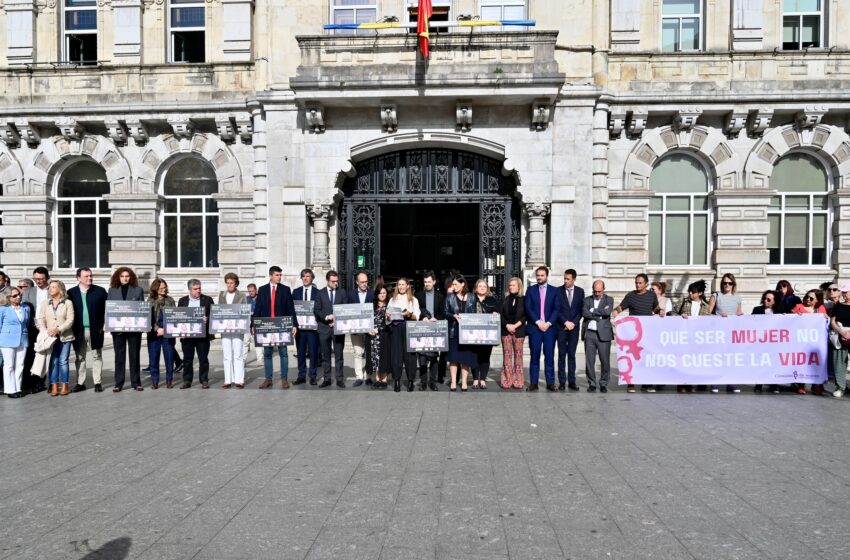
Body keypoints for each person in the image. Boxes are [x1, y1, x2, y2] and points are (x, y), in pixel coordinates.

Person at [612, 273, 659, 393]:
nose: (637, 285)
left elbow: (656, 308)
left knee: (646, 358)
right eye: (636, 283)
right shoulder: (630, 295)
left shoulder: (652, 295)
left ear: (646, 284)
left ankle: (647, 383)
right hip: (633, 334)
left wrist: (661, 310)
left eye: (640, 283)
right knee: (632, 358)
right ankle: (631, 383)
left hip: (647, 332)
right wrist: (616, 311)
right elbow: (621, 307)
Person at [253, 266, 297, 389]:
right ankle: (268, 379)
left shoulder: (285, 290)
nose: (279, 277)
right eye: (277, 275)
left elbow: (290, 308)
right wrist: (254, 324)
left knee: (283, 353)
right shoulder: (262, 290)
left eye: (280, 275)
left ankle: (284, 379)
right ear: (271, 276)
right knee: (267, 353)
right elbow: (258, 308)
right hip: (266, 326)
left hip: (282, 326)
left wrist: (294, 325)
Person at [67, 267, 107, 393]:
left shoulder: (100, 291)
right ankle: (80, 383)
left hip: (96, 330)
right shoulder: (71, 293)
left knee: (97, 356)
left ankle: (97, 382)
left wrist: (106, 323)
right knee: (80, 357)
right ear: (78, 278)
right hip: (78, 330)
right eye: (86, 276)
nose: (89, 278)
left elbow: (108, 309)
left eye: (90, 275)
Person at [107, 267, 145, 392]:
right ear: (118, 277)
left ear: (131, 277)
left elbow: (142, 309)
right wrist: (106, 323)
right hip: (118, 329)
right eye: (122, 276)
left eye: (127, 276)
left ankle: (136, 382)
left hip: (134, 329)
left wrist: (145, 323)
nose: (125, 278)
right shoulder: (112, 291)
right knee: (119, 356)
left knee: (134, 356)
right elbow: (108, 309)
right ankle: (119, 383)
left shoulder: (138, 290)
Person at [524, 266, 562, 392]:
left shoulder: (554, 291)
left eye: (542, 275)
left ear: (547, 276)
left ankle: (550, 383)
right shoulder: (530, 290)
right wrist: (538, 322)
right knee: (534, 356)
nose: (539, 277)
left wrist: (549, 323)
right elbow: (528, 308)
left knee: (549, 356)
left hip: (550, 330)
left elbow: (557, 309)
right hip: (535, 328)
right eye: (538, 275)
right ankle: (533, 383)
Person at [707, 273, 743, 394]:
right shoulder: (716, 296)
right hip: (718, 331)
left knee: (731, 357)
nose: (727, 285)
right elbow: (707, 313)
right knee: (717, 356)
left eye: (729, 283)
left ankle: (731, 382)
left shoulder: (737, 297)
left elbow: (739, 313)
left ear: (733, 284)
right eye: (724, 283)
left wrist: (741, 316)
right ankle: (714, 382)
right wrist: (718, 316)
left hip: (732, 332)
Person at [38, 280, 75, 397]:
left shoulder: (68, 303)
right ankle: (54, 385)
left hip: (65, 336)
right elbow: (41, 319)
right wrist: (44, 331)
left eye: (53, 287)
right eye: (50, 287)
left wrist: (58, 329)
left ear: (60, 289)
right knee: (53, 361)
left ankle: (64, 385)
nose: (50, 289)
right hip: (50, 337)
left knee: (63, 361)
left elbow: (70, 320)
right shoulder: (45, 303)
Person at [674, 280, 710, 393]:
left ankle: (695, 382)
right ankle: (683, 383)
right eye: (689, 291)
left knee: (696, 360)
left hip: (698, 338)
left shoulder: (705, 306)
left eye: (693, 292)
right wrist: (680, 316)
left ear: (699, 293)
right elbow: (672, 313)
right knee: (684, 360)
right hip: (685, 336)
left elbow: (710, 322)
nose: (690, 294)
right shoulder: (684, 302)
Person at [178, 279, 214, 389]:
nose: (198, 291)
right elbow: (178, 316)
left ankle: (204, 379)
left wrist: (208, 319)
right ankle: (187, 380)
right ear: (189, 290)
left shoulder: (207, 300)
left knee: (203, 358)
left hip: (202, 336)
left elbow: (214, 316)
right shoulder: (182, 301)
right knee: (187, 359)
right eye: (195, 289)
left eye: (199, 288)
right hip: (187, 336)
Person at [790, 289, 828, 395]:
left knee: (815, 363)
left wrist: (825, 318)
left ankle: (816, 385)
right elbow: (788, 321)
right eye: (807, 296)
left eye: (811, 298)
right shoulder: (799, 307)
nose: (807, 299)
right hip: (799, 340)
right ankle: (800, 384)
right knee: (801, 362)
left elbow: (824, 323)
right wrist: (793, 316)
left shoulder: (820, 308)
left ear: (817, 300)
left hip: (814, 342)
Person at [314, 270, 348, 388]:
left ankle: (339, 379)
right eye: (333, 281)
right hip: (324, 329)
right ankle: (327, 379)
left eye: (337, 281)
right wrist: (327, 317)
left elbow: (345, 309)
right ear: (327, 280)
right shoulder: (320, 293)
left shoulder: (342, 292)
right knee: (326, 355)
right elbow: (317, 310)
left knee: (339, 355)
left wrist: (336, 320)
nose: (336, 283)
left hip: (338, 329)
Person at [578, 279, 613, 393]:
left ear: (604, 289)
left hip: (604, 334)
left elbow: (607, 313)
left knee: (605, 361)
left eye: (599, 291)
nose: (597, 294)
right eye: (595, 291)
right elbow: (584, 313)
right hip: (590, 333)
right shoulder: (587, 300)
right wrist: (598, 314)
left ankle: (603, 383)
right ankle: (592, 383)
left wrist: (592, 310)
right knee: (589, 360)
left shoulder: (609, 299)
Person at [387, 277, 420, 392]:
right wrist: (388, 316)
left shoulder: (413, 300)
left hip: (409, 327)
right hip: (396, 328)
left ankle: (410, 380)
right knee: (396, 355)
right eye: (399, 284)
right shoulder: (392, 300)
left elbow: (417, 316)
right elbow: (388, 316)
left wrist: (409, 314)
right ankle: (397, 380)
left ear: (407, 286)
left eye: (403, 284)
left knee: (410, 355)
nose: (401, 287)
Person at [415, 271, 445, 391]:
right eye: (425, 282)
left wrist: (435, 318)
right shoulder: (418, 295)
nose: (427, 284)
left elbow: (442, 312)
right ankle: (423, 383)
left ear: (434, 282)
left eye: (429, 282)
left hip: (435, 328)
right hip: (423, 328)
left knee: (434, 358)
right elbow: (416, 310)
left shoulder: (440, 296)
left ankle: (432, 382)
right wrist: (423, 318)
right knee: (422, 357)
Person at [444, 274, 475, 391]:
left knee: (465, 358)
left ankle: (464, 382)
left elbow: (476, 313)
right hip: (453, 331)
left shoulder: (472, 297)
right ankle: (453, 382)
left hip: (467, 332)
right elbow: (445, 312)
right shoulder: (449, 297)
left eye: (456, 284)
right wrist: (453, 316)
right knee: (453, 358)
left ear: (463, 284)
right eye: (453, 284)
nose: (454, 286)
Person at [0, 286, 32, 398]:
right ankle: (10, 390)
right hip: (7, 340)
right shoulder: (2, 309)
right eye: (15, 295)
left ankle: (18, 388)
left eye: (19, 295)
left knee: (20, 364)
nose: (18, 297)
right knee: (9, 365)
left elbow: (26, 323)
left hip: (22, 339)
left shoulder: (26, 308)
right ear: (8, 297)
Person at [21, 268, 49, 393]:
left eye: (41, 279)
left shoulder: (52, 289)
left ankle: (40, 382)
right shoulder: (28, 291)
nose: (38, 281)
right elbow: (25, 308)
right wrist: (34, 322)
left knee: (44, 356)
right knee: (30, 356)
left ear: (47, 277)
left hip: (48, 328)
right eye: (36, 279)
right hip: (32, 327)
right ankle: (28, 382)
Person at [218, 272, 248, 389]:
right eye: (228, 283)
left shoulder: (242, 296)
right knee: (226, 354)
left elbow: (245, 311)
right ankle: (227, 380)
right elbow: (219, 310)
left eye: (232, 283)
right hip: (225, 328)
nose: (229, 285)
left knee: (238, 354)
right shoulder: (222, 295)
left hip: (237, 328)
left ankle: (239, 380)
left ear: (236, 283)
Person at [556, 269, 585, 391]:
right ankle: (562, 381)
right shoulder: (558, 291)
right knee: (562, 355)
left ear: (574, 279)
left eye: (568, 279)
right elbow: (556, 309)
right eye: (564, 278)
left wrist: (573, 322)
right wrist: (565, 322)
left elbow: (581, 310)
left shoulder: (580, 291)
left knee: (571, 355)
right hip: (561, 328)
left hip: (574, 328)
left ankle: (572, 381)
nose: (565, 281)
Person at [292, 269, 320, 385]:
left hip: (313, 328)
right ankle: (301, 375)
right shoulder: (296, 292)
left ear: (312, 278)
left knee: (313, 352)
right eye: (303, 276)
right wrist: (293, 325)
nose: (305, 278)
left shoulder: (318, 292)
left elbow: (320, 309)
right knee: (301, 352)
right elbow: (292, 309)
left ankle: (313, 376)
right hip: (300, 328)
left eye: (307, 276)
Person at [470, 278, 498, 390]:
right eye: (480, 286)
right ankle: (475, 379)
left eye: (484, 286)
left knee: (485, 356)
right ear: (476, 288)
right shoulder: (471, 299)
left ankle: (483, 379)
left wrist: (495, 313)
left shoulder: (492, 300)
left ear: (487, 289)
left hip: (487, 334)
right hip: (473, 334)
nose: (482, 288)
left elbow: (497, 311)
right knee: (474, 356)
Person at [347, 271, 374, 387]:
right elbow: (346, 310)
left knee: (369, 352)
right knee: (358, 352)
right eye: (362, 282)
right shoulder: (351, 294)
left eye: (366, 282)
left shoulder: (373, 293)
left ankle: (369, 376)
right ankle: (359, 376)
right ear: (357, 282)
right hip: (356, 329)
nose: (364, 284)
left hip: (369, 329)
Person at [147, 278, 175, 389]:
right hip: (154, 333)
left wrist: (165, 329)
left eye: (165, 287)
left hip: (168, 332)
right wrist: (157, 328)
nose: (164, 289)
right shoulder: (150, 300)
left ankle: (169, 380)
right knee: (154, 357)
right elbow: (148, 317)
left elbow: (174, 316)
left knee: (169, 357)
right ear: (156, 288)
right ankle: (155, 381)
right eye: (161, 288)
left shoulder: (170, 300)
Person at [500, 277, 526, 390]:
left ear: (519, 286)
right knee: (507, 356)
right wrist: (507, 325)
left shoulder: (524, 299)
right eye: (510, 285)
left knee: (518, 357)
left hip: (518, 331)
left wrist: (515, 326)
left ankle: (518, 379)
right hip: (506, 330)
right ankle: (507, 379)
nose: (511, 287)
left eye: (514, 285)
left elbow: (526, 315)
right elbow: (500, 315)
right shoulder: (505, 299)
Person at [368, 281, 392, 390]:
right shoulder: (372, 306)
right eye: (380, 293)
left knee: (384, 357)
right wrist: (369, 330)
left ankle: (384, 379)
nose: (382, 295)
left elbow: (390, 323)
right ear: (377, 294)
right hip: (373, 337)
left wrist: (388, 319)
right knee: (375, 358)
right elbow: (366, 321)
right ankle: (377, 378)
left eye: (384, 293)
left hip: (384, 336)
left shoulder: (389, 306)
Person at [829, 283, 850, 398]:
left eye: (846, 292)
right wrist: (841, 332)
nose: (844, 294)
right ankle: (840, 387)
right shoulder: (838, 306)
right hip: (840, 335)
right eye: (843, 292)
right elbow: (833, 321)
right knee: (839, 362)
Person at [245, 282, 260, 363]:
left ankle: (260, 360)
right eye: (249, 291)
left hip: (257, 322)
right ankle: (243, 360)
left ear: (256, 290)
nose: (251, 293)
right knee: (245, 342)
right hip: (248, 322)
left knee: (258, 342)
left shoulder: (261, 298)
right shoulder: (246, 299)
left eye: (252, 291)